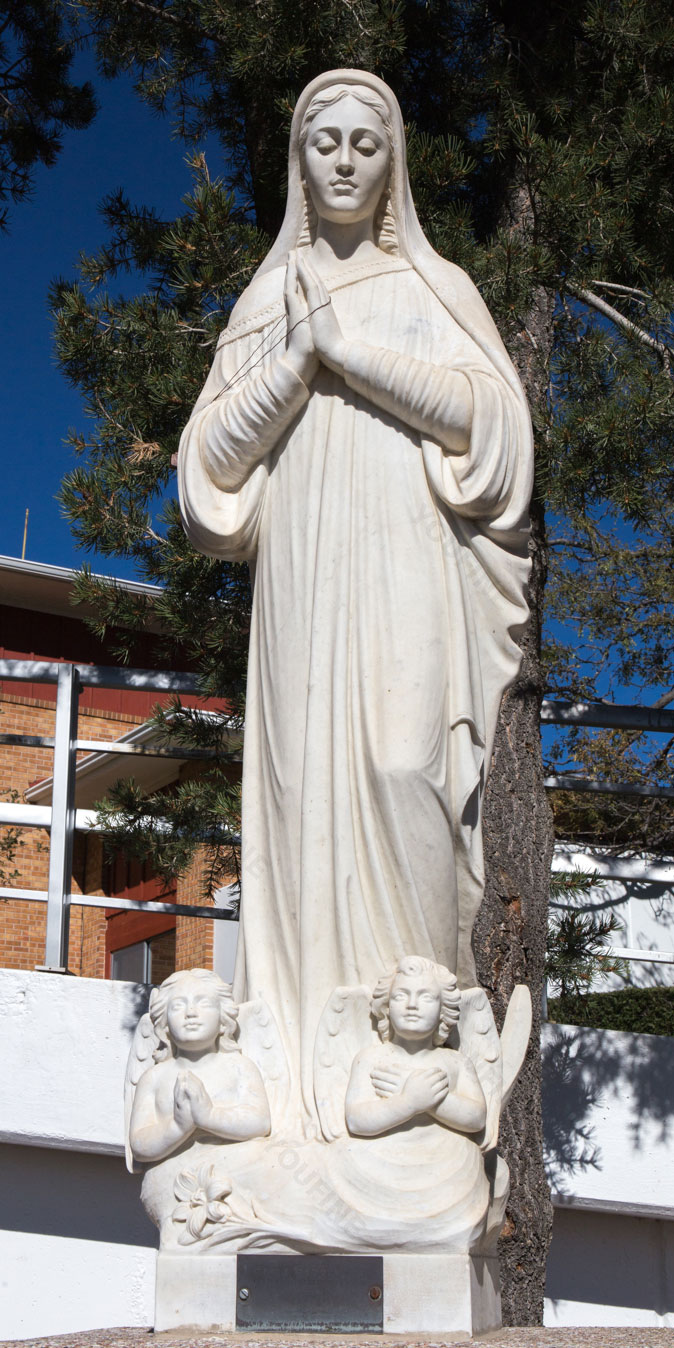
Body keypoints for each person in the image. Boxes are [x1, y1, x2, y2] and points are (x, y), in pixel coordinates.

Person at [178, 69, 534, 1132]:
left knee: (399, 764)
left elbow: (495, 432)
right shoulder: (264, 298)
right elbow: (206, 474)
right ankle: (303, 1090)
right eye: (321, 141)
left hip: (406, 552)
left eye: (362, 144)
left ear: (391, 167)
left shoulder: (438, 288)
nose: (340, 159)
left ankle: (412, 1049)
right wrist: (295, 359)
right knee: (298, 799)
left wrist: (349, 353)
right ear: (298, 160)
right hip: (302, 564)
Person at [128, 969, 270, 1164]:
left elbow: (260, 1122)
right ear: (165, 1025)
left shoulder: (240, 1067)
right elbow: (138, 1144)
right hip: (171, 1179)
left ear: (223, 1020)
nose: (191, 1013)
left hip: (233, 1172)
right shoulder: (154, 1078)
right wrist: (178, 1127)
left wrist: (208, 1116)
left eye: (203, 1003)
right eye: (178, 1006)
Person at [345, 955, 487, 1138]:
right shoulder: (369, 1059)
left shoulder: (457, 1062)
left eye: (426, 997)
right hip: (382, 1157)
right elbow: (355, 1120)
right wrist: (408, 1102)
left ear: (443, 1010)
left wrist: (430, 1101)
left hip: (448, 1157)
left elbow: (477, 1119)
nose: (412, 1005)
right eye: (400, 996)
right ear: (386, 1007)